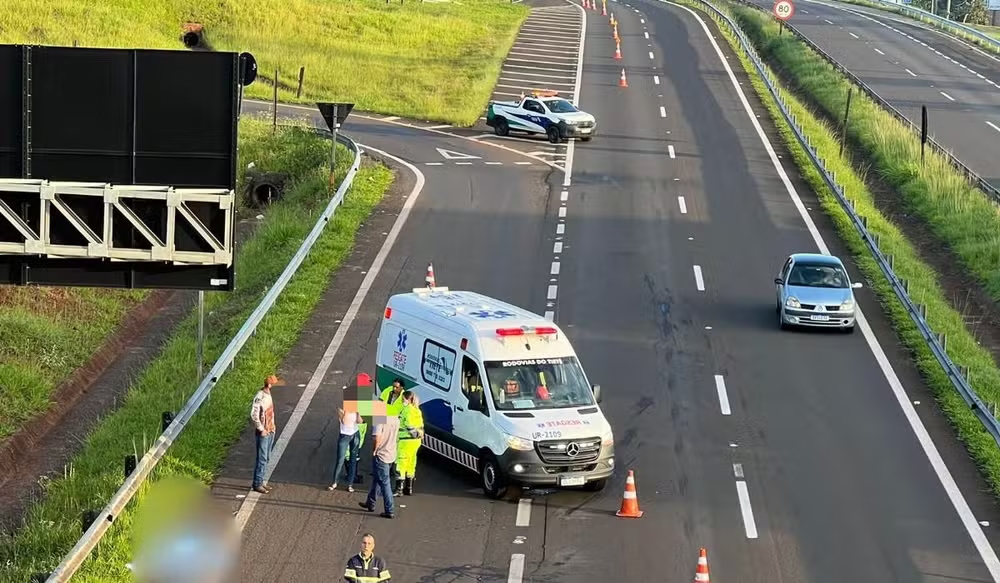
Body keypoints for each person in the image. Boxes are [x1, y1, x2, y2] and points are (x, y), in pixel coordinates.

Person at [359, 402, 400, 518]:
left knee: (384, 483)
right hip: (391, 453)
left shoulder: (379, 419)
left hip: (381, 454)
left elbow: (377, 437)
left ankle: (389, 509)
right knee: (377, 479)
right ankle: (370, 502)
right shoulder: (394, 419)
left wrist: (374, 450)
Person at [249, 374, 282, 495]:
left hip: (271, 429)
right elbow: (254, 414)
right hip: (264, 432)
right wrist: (261, 429)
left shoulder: (268, 395)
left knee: (266, 457)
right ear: (269, 385)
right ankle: (257, 483)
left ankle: (261, 480)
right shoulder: (260, 396)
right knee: (262, 459)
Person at [395, 390, 425, 496]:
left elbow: (408, 424)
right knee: (411, 463)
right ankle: (409, 488)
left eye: (403, 399)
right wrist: (418, 435)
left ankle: (399, 489)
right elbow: (421, 425)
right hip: (416, 442)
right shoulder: (417, 410)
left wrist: (414, 434)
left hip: (406, 440)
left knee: (401, 463)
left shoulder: (407, 410)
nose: (402, 401)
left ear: (407, 399)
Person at [329, 401, 362, 492]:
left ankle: (350, 484)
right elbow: (344, 421)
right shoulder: (341, 410)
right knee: (340, 459)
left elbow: (360, 421)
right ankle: (335, 482)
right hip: (344, 436)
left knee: (353, 459)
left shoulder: (355, 409)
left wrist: (358, 412)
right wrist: (347, 411)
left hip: (355, 434)